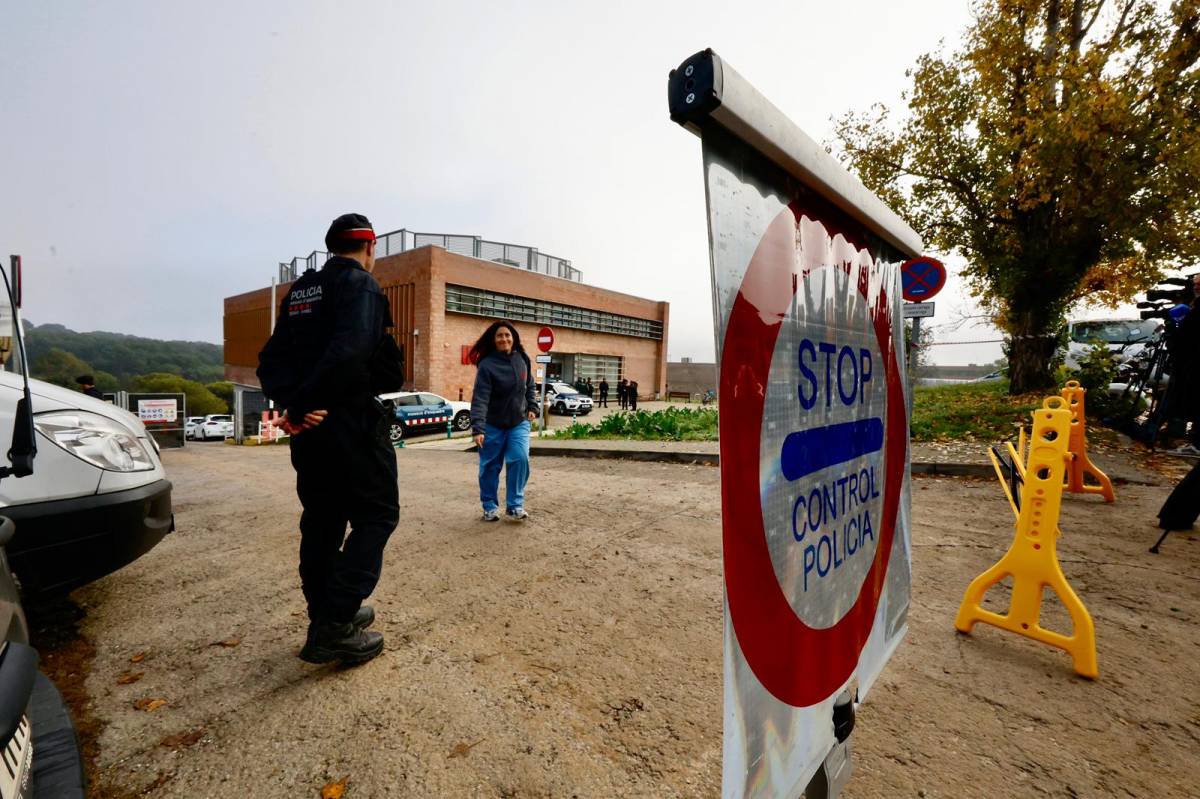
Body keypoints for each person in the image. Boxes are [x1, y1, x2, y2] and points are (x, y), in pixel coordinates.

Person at [257, 213, 404, 666]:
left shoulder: (302, 290)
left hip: (310, 428)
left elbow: (270, 359)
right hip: (347, 420)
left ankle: (325, 612)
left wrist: (292, 405)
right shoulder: (359, 284)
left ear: (330, 245)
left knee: (322, 520)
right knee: (377, 516)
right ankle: (335, 623)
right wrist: (304, 404)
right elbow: (351, 350)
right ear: (370, 246)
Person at [470, 321, 538, 522]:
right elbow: (480, 397)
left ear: (513, 338)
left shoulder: (522, 359)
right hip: (492, 424)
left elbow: (530, 385)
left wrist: (533, 407)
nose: (504, 339)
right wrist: (478, 428)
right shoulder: (487, 365)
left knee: (520, 458)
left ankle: (515, 505)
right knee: (490, 466)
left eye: (507, 335)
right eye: (499, 336)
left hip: (518, 421)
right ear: (494, 340)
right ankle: (489, 506)